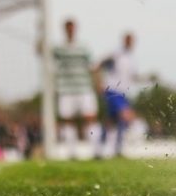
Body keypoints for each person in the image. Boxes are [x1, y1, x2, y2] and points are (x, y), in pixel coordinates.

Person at [52, 18, 98, 158]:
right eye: (68, 28)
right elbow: (45, 57)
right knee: (67, 120)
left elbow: (92, 67)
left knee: (90, 118)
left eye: (72, 28)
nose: (70, 30)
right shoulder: (58, 49)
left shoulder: (84, 48)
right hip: (66, 89)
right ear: (65, 30)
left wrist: (98, 83)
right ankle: (71, 152)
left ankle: (96, 151)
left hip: (84, 88)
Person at [96, 31, 140, 158]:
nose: (130, 43)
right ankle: (117, 148)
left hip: (123, 92)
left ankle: (100, 148)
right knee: (126, 115)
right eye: (128, 40)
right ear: (124, 40)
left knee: (112, 121)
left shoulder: (132, 58)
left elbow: (133, 77)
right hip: (112, 90)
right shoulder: (116, 54)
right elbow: (98, 65)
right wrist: (98, 82)